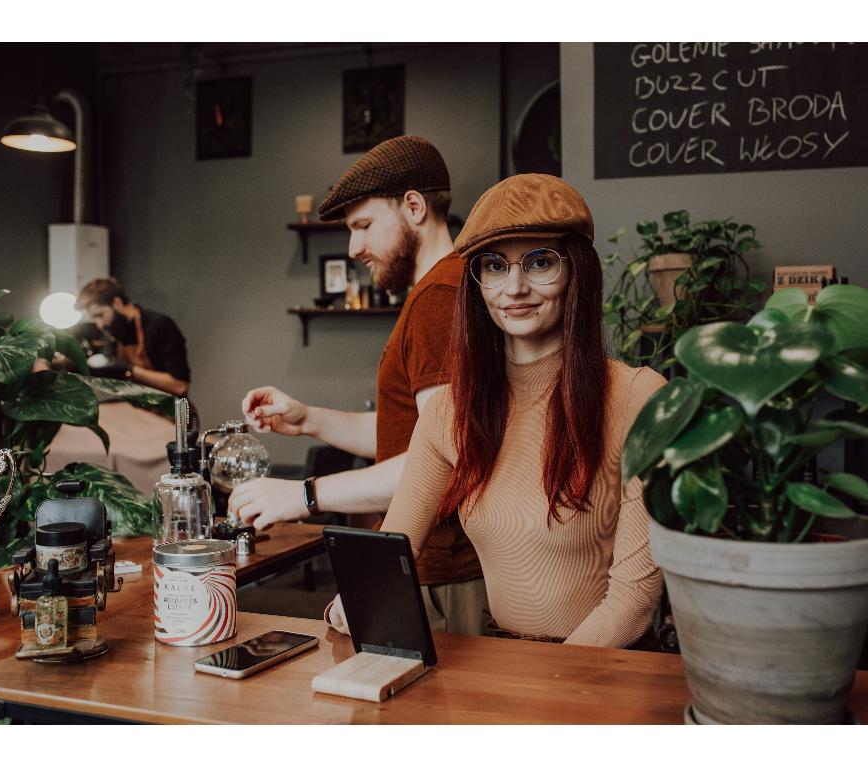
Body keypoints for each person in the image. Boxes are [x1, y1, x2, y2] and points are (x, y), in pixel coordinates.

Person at [326, 173, 665, 648]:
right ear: (477, 283)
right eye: (494, 266)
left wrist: (540, 698)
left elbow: (633, 602)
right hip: (503, 657)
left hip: (605, 669)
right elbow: (395, 542)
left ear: (577, 272)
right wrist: (356, 597)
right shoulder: (449, 411)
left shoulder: (636, 396)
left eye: (541, 262)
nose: (515, 287)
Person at [229, 136, 487, 635]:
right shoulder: (441, 291)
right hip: (436, 566)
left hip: (448, 571)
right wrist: (309, 420)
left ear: (414, 206)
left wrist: (304, 495)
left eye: (363, 226)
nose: (353, 248)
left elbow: (445, 459)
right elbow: (419, 436)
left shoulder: (439, 298)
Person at [76, 277, 191, 397]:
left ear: (117, 303)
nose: (100, 325)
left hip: (172, 409)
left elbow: (179, 386)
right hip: (140, 405)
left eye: (100, 315)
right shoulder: (116, 332)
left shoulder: (159, 325)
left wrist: (129, 370)